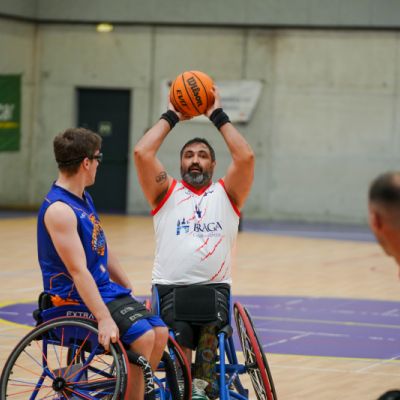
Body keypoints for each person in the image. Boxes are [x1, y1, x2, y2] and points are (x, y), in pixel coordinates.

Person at [134, 87, 254, 399]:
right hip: (170, 290)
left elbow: (245, 157)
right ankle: (185, 388)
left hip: (213, 291)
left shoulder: (227, 194)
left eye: (202, 155)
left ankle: (201, 389)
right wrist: (172, 115)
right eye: (189, 155)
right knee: (180, 338)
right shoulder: (165, 193)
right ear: (180, 164)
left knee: (208, 337)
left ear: (213, 164)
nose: (195, 160)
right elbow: (142, 153)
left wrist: (217, 115)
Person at [37, 127, 168, 400]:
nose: (99, 164)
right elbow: (78, 271)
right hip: (71, 298)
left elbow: (101, 245)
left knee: (160, 332)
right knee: (144, 337)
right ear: (86, 162)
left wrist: (126, 285)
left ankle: (131, 392)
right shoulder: (60, 210)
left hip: (102, 290)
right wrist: (104, 318)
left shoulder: (84, 198)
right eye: (98, 158)